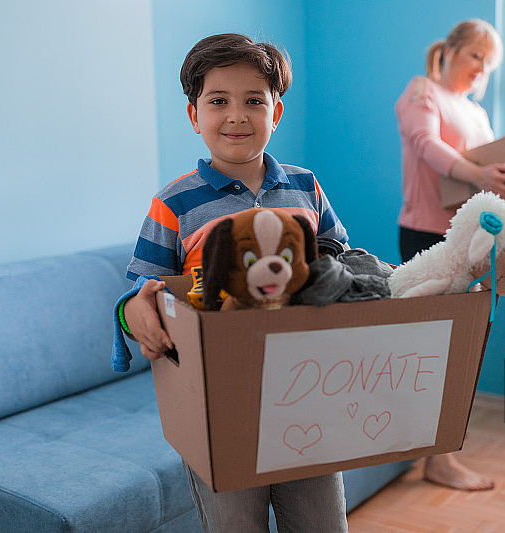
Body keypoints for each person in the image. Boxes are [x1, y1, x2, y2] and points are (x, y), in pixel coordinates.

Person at [113, 33, 349, 532]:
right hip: (219, 403)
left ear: (276, 112)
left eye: (253, 101)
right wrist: (135, 310)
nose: (237, 115)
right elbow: (144, 288)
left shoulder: (305, 186)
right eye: (218, 101)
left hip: (308, 389)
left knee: (322, 522)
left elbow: (338, 257)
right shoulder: (174, 202)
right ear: (194, 116)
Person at [395, 19, 505, 492]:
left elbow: (485, 178)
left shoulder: (476, 112)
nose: (482, 69)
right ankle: (436, 459)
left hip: (473, 242)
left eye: (489, 63)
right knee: (432, 352)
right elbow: (426, 146)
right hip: (427, 236)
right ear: (450, 51)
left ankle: (441, 454)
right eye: (476, 56)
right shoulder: (422, 92)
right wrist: (480, 176)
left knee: (462, 349)